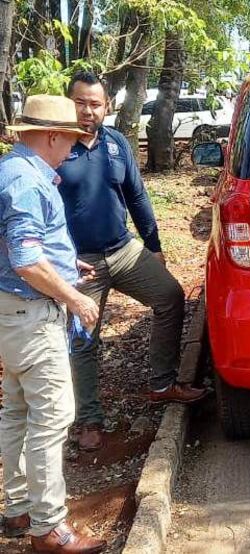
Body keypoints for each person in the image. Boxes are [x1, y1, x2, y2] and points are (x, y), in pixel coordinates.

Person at [58, 71, 208, 452]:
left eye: (95, 104)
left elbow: (137, 196)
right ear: (68, 102)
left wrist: (153, 244)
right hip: (80, 262)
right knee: (83, 337)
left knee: (170, 297)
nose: (87, 111)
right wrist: (61, 256)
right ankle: (89, 418)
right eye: (80, 102)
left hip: (123, 249)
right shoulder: (56, 146)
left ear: (106, 106)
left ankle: (162, 384)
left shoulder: (116, 143)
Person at [0, 94, 106, 552]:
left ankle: (17, 508)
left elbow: (24, 248)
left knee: (17, 411)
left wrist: (65, 268)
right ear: (49, 136)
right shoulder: (26, 181)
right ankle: (49, 527)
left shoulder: (14, 170)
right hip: (32, 313)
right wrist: (75, 297)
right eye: (69, 140)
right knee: (52, 418)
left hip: (12, 311)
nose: (73, 148)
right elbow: (25, 260)